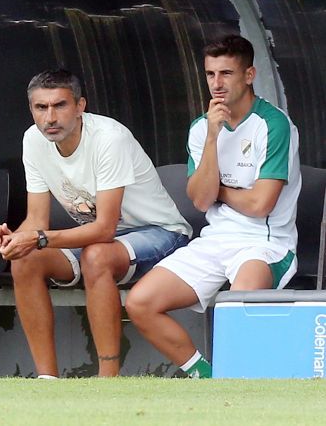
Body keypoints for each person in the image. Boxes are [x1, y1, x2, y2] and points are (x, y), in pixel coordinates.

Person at [0, 68, 191, 378]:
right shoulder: (33, 139)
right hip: (97, 240)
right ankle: (47, 379)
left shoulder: (110, 138)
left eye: (60, 106)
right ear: (31, 110)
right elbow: (36, 220)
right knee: (24, 260)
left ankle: (107, 379)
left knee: (97, 256)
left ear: (81, 106)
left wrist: (39, 238)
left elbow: (105, 227)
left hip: (159, 232)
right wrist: (10, 238)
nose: (50, 117)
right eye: (41, 108)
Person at [126, 35, 301, 379]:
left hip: (265, 243)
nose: (217, 84)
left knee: (239, 308)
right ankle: (207, 378)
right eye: (210, 74)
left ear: (249, 75)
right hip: (215, 239)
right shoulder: (200, 128)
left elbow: (260, 203)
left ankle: (248, 382)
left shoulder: (274, 124)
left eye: (226, 73)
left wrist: (219, 190)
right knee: (140, 303)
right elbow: (201, 200)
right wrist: (211, 137)